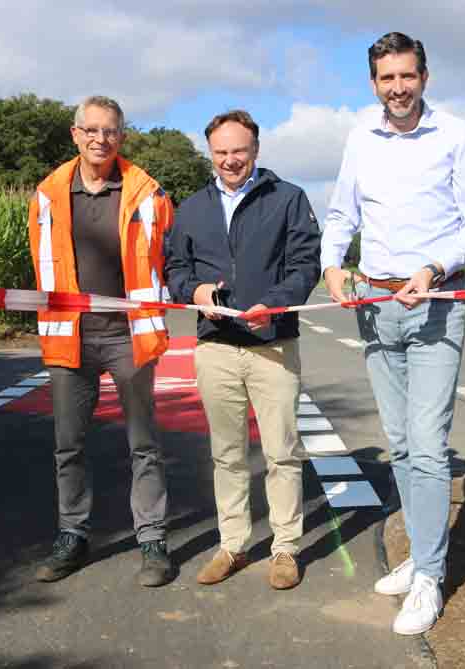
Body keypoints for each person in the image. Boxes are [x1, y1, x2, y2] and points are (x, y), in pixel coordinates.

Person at [321, 31, 465, 635]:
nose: (398, 88)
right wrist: (333, 264)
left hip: (437, 301)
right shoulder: (359, 137)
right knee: (399, 442)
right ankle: (421, 553)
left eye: (407, 76)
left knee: (427, 442)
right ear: (374, 84)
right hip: (373, 300)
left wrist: (433, 268)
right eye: (387, 78)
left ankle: (429, 579)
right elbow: (342, 214)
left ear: (425, 77)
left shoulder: (457, 134)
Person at [165, 110, 320, 590]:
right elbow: (175, 269)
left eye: (239, 150)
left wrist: (271, 306)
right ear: (209, 153)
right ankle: (232, 544)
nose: (231, 160)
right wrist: (195, 293)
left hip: (272, 344)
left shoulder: (289, 199)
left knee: (281, 453)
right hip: (215, 347)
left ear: (255, 149)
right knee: (227, 454)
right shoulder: (190, 208)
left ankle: (285, 548)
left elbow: (304, 266)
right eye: (221, 151)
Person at [28, 95, 175, 586]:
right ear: (75, 134)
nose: (99, 138)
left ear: (121, 136)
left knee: (144, 444)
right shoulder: (48, 195)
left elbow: (166, 260)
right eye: (90, 130)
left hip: (129, 336)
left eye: (109, 130)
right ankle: (72, 534)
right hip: (69, 337)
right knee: (68, 445)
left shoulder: (147, 193)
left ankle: (152, 540)